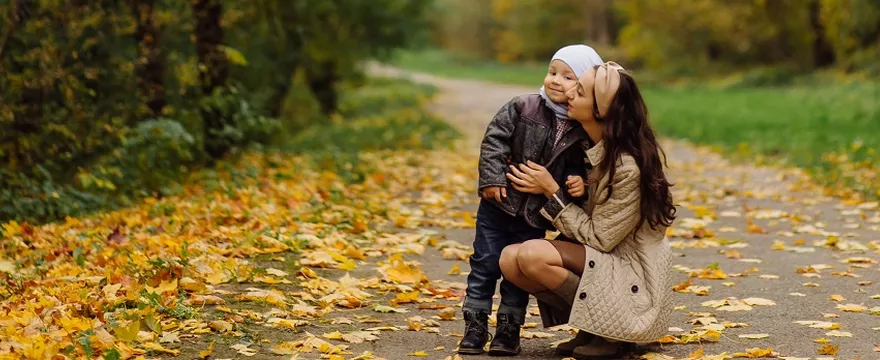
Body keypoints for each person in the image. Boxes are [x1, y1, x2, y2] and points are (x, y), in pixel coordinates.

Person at [500, 61, 677, 359]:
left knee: (532, 255)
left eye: (580, 92)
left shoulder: (626, 165)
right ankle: (593, 327)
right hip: (607, 261)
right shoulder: (588, 148)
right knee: (509, 260)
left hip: (631, 275)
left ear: (601, 110)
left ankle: (613, 332)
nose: (569, 93)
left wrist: (551, 191)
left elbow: (601, 238)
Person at [460, 45, 603, 356]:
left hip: (535, 215)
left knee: (517, 275)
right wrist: (492, 179)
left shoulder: (580, 130)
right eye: (552, 72)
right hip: (498, 206)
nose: (555, 80)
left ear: (582, 88)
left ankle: (509, 329)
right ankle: (475, 326)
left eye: (567, 77)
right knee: (484, 263)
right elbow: (494, 140)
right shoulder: (523, 107)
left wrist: (577, 182)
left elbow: (577, 166)